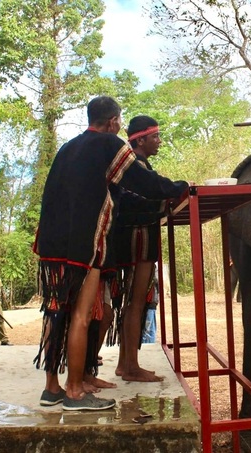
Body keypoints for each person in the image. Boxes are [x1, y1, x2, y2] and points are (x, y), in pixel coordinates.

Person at [33, 97, 188, 410]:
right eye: (119, 120)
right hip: (83, 244)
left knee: (55, 312)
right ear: (114, 121)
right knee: (81, 315)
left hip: (50, 244)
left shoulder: (67, 147)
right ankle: (75, 391)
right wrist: (179, 187)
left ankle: (52, 387)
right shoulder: (110, 144)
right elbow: (141, 182)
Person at [113, 115, 176, 382]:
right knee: (137, 302)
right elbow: (141, 201)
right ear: (140, 140)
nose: (159, 142)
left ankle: (124, 363)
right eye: (155, 137)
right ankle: (130, 366)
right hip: (139, 237)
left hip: (132, 237)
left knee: (133, 303)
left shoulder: (137, 165)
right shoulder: (136, 167)